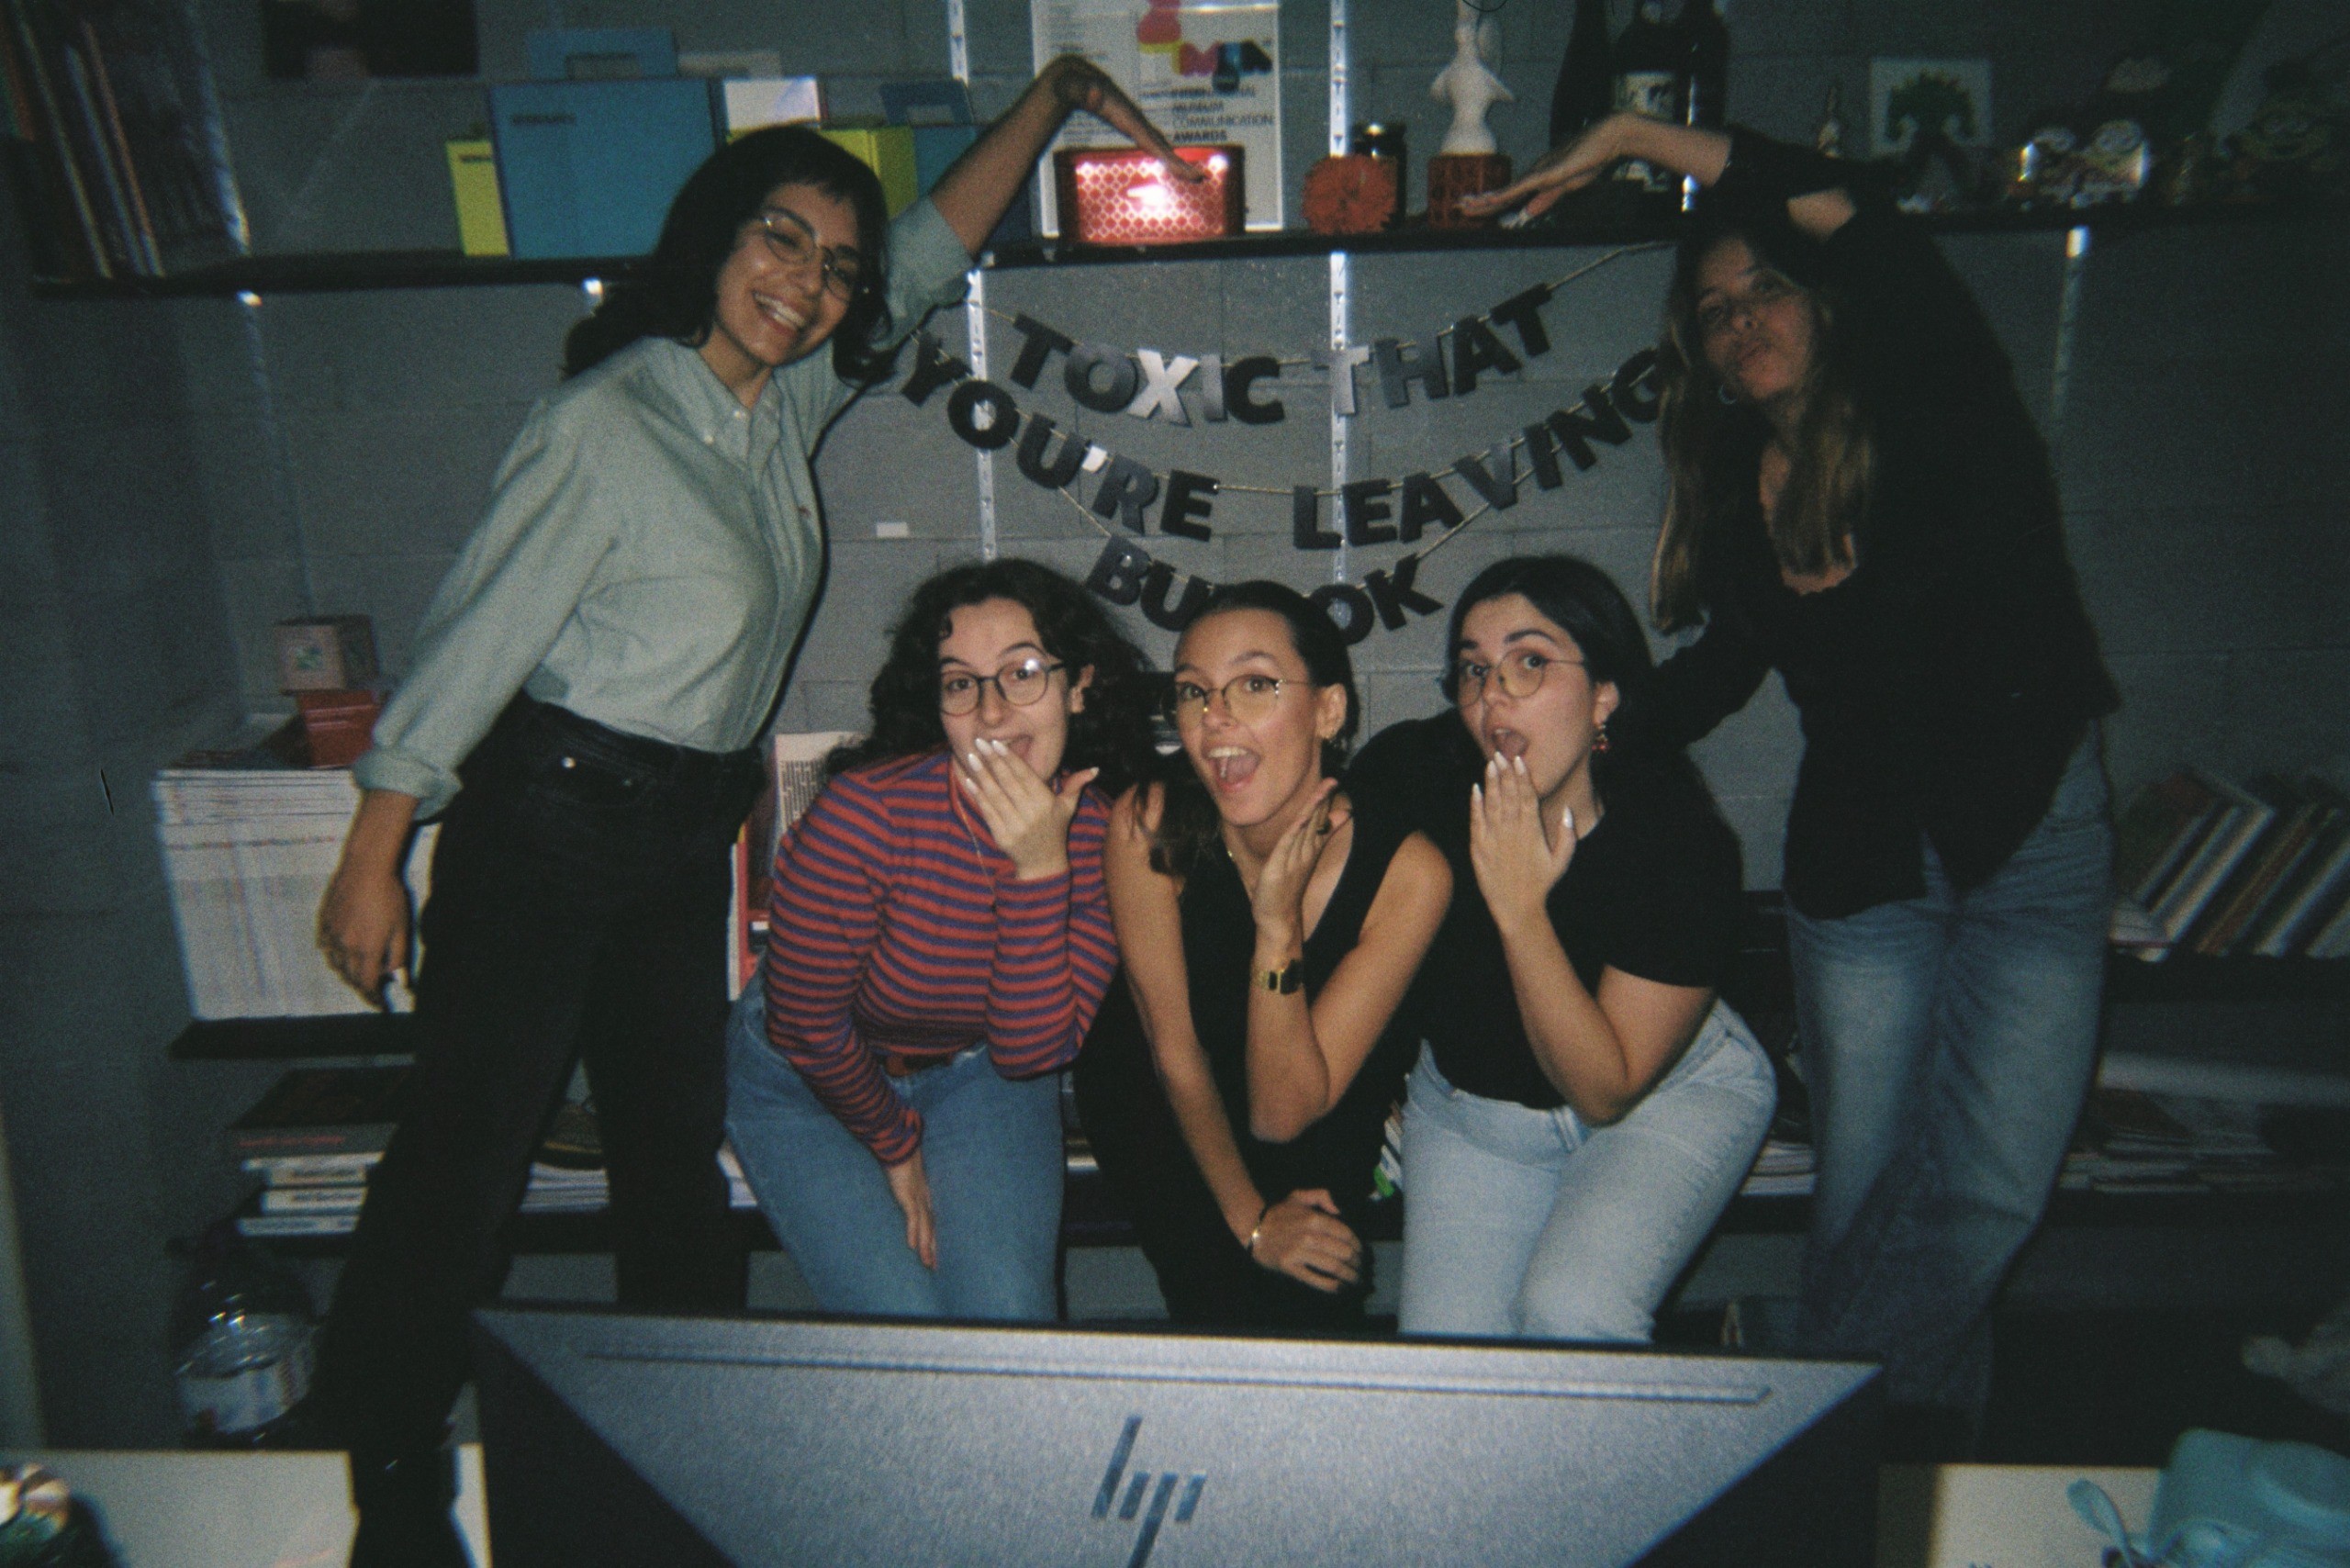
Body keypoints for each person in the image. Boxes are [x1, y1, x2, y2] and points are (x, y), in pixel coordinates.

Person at [309, 61, 1192, 1565]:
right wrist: (376, 845)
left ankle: (666, 1467)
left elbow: (926, 256)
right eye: (782, 237)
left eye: (833, 265)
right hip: (547, 826)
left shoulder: (781, 405)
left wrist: (1047, 101)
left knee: (670, 1166)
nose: (808, 282)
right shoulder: (609, 421)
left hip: (671, 842)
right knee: (470, 1155)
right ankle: (387, 1479)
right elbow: (478, 632)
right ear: (713, 236)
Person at [1468, 115, 2118, 1446]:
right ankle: (1884, 1454)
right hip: (1861, 860)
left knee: (1994, 1186)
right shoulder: (1731, 482)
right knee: (1865, 1188)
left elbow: (1855, 213)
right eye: (1714, 310)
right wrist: (1559, 730)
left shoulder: (1942, 407)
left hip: (2032, 838)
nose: (1741, 320)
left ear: (1828, 302)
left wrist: (1637, 136)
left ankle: (1819, 1419)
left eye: (1766, 288)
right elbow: (1722, 668)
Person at [1348, 555, 1775, 1344]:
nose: (1493, 695)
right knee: (1454, 1373)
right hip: (1477, 1118)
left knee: (1573, 1313)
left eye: (1530, 663)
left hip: (1661, 1094)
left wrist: (1519, 908)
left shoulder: (1678, 845)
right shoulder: (1417, 782)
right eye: (1474, 670)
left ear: (1604, 695)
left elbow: (1603, 1091)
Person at [725, 559, 1151, 1320]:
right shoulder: (865, 815)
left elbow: (1028, 1054)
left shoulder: (1104, 839)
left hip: (977, 1074)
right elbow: (805, 1023)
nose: (991, 713)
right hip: (806, 1075)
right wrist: (894, 1143)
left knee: (1008, 1322)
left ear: (1079, 685)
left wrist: (1038, 869)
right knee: (904, 1325)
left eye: (1022, 673)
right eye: (960, 683)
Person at [1073, 584, 1451, 1330]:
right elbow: (1174, 1053)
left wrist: (1277, 927)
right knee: (1221, 1307)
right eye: (1194, 691)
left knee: (1316, 1306)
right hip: (1164, 1104)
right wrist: (1250, 1223)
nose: (1215, 718)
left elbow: (1283, 1114)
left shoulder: (1407, 871)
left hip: (1313, 1103)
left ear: (1329, 711)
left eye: (1254, 685)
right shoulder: (1150, 822)